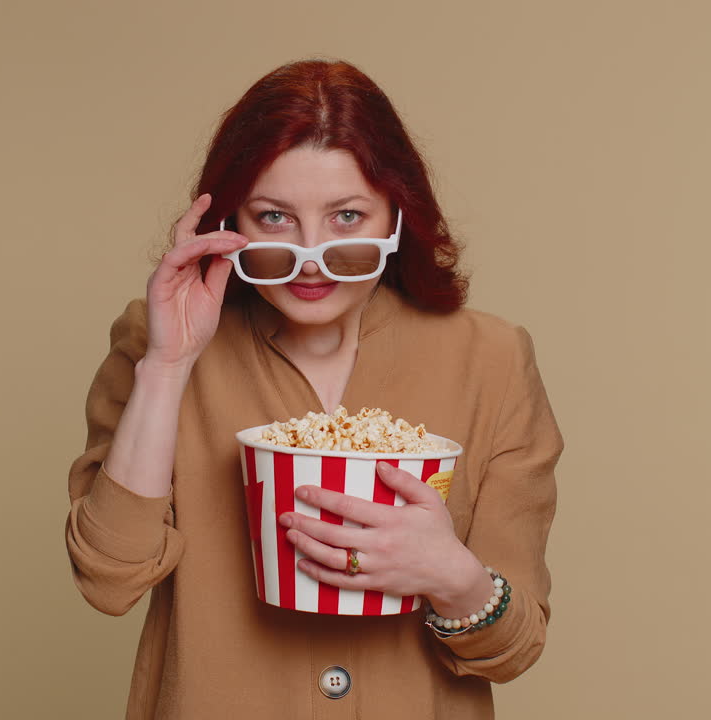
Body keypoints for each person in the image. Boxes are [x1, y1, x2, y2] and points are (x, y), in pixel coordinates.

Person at [65, 58, 565, 719]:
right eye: (273, 218)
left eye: (347, 217)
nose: (309, 256)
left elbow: (513, 646)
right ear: (230, 222)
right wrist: (166, 364)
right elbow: (109, 576)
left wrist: (453, 576)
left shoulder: (490, 360)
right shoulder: (156, 345)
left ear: (396, 216)